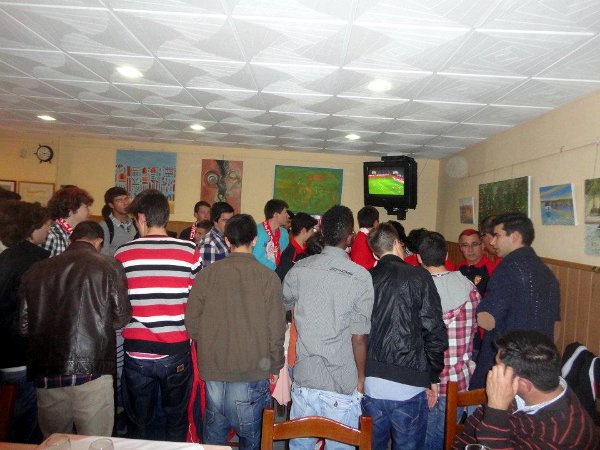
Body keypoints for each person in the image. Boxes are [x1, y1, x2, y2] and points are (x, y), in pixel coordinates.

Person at [19, 221, 131, 438]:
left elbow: (24, 327)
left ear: (71, 240)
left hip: (46, 370)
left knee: (55, 442)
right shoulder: (109, 266)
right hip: (93, 368)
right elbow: (121, 317)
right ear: (98, 242)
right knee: (95, 441)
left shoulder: (35, 270)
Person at [185, 214, 286, 450]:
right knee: (252, 439)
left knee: (214, 438)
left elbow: (191, 321)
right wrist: (275, 365)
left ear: (227, 240)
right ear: (254, 240)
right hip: (251, 369)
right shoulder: (268, 278)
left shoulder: (207, 274)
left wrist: (209, 342)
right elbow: (276, 328)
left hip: (213, 368)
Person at [283, 205, 374, 450]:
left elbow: (284, 303)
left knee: (300, 447)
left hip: (305, 377)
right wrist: (361, 378)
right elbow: (359, 337)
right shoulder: (360, 276)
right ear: (350, 236)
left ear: (321, 232)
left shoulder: (300, 268)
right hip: (340, 381)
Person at [114, 189, 201, 441]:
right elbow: (196, 301)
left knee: (139, 421)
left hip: (137, 352)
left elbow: (119, 304)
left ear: (142, 217)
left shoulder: (122, 253)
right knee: (176, 418)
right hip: (176, 350)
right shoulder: (189, 250)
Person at [364, 224, 447, 450]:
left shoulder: (366, 278)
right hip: (410, 383)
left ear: (375, 254)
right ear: (397, 244)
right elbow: (434, 331)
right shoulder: (420, 276)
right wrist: (433, 376)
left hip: (371, 382)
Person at [454, 330, 600, 449]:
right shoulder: (518, 390)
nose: (493, 372)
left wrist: (496, 410)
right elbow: (469, 433)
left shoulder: (563, 436)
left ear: (524, 384)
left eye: (498, 367)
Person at [471, 212, 561, 389]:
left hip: (506, 365)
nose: (492, 242)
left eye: (497, 235)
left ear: (515, 236)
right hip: (538, 367)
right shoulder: (547, 272)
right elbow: (556, 326)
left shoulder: (507, 269)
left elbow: (486, 319)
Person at [418, 231, 480, 450]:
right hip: (458, 381)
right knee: (447, 440)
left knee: (420, 438)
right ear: (446, 256)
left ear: (419, 258)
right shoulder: (470, 289)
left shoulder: (416, 290)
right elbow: (474, 331)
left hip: (424, 381)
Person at [0, 201, 51, 443]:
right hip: (23, 351)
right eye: (46, 225)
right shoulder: (36, 261)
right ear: (33, 227)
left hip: (5, 349)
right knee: (25, 423)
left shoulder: (6, 256)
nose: (48, 230)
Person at [40, 186, 93, 257]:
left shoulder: (73, 234)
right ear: (71, 208)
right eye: (86, 207)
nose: (90, 212)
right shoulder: (51, 235)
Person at [275, 212, 318, 281]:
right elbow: (281, 280)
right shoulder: (288, 255)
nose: (313, 233)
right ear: (304, 230)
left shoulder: (310, 249)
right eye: (312, 229)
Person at [456, 228, 496, 297]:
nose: (470, 250)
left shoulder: (491, 269)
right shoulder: (459, 267)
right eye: (465, 245)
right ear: (461, 248)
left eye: (474, 244)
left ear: (482, 245)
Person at [99, 186, 137, 257]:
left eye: (126, 198)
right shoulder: (105, 227)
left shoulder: (136, 223)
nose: (125, 203)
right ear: (111, 205)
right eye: (119, 200)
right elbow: (103, 256)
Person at [253, 199, 290, 269]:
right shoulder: (257, 231)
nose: (288, 216)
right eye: (285, 212)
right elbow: (256, 257)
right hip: (260, 272)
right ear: (276, 215)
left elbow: (285, 256)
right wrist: (276, 268)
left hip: (279, 273)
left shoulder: (284, 233)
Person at [199, 201, 234, 267]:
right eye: (225, 221)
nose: (230, 224)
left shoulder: (228, 237)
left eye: (231, 220)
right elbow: (209, 272)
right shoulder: (209, 244)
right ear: (215, 221)